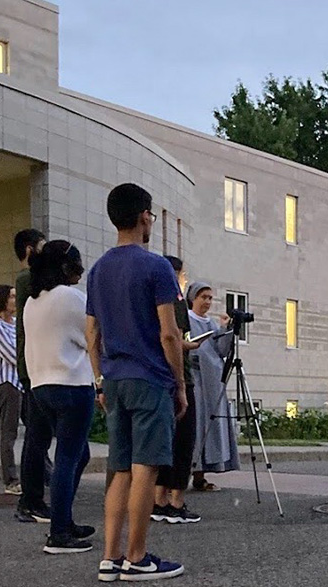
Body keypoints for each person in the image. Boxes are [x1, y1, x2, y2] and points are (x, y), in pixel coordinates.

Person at [87, 183, 187, 581]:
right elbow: (169, 334)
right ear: (145, 216)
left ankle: (110, 558)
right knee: (146, 468)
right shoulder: (157, 266)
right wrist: (178, 383)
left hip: (114, 380)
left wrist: (99, 380)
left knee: (120, 469)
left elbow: (91, 335)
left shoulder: (98, 270)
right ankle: (137, 556)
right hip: (149, 380)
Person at [24, 240, 97, 554]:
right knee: (69, 458)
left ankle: (63, 521)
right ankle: (59, 533)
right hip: (72, 383)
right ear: (65, 267)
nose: (79, 274)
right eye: (76, 267)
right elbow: (93, 338)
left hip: (42, 384)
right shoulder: (69, 297)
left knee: (78, 456)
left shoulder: (31, 301)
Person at [152, 256, 204, 525]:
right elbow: (174, 338)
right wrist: (188, 348)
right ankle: (176, 501)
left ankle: (159, 499)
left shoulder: (147, 296)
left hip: (155, 377)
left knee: (164, 442)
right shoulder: (174, 298)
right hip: (177, 375)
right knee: (184, 440)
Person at [12, 228, 54, 525]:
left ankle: (32, 499)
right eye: (42, 247)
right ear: (29, 250)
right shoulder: (28, 280)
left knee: (39, 437)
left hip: (35, 366)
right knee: (37, 438)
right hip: (35, 367)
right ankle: (31, 501)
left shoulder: (31, 280)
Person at [187, 281, 239, 491]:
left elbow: (222, 351)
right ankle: (184, 473)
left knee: (209, 426)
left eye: (209, 298)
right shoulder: (186, 320)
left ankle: (201, 475)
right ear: (193, 298)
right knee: (195, 425)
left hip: (212, 381)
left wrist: (227, 329)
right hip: (195, 378)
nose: (207, 302)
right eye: (203, 297)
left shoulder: (212, 324)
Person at [0, 284, 22, 495]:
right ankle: (10, 480)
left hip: (23, 383)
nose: (15, 300)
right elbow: (12, 354)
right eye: (11, 297)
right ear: (2, 300)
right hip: (7, 383)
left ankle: (45, 473)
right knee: (9, 432)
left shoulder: (18, 324)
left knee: (38, 430)